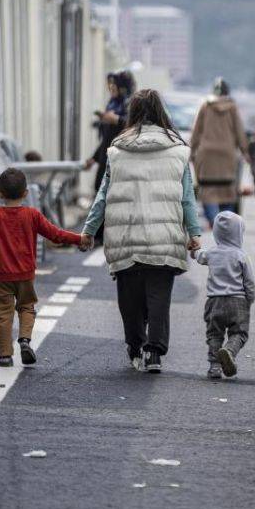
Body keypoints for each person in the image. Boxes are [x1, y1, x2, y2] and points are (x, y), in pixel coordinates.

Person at [80, 89, 203, 374]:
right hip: (165, 236)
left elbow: (103, 195)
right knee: (159, 297)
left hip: (126, 235)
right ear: (162, 113)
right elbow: (187, 198)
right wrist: (194, 233)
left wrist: (89, 230)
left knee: (130, 298)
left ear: (132, 113)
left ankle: (135, 347)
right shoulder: (178, 151)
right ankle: (154, 352)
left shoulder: (116, 151)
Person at [0, 168, 83, 367]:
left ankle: (5, 356)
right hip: (25, 274)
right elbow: (55, 234)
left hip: (1, 276)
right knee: (26, 307)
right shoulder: (32, 215)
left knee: (3, 314)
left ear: (0, 194)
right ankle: (24, 339)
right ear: (25, 193)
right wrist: (79, 239)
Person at [193, 211, 255, 379]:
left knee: (214, 334)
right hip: (237, 301)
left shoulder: (212, 253)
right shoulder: (241, 256)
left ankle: (215, 367)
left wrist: (194, 251)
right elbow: (249, 281)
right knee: (239, 333)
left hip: (214, 301)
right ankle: (229, 351)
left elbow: (199, 256)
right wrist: (250, 299)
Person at [83, 71, 135, 243]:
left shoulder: (130, 104)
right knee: (101, 191)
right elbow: (106, 138)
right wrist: (94, 157)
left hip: (122, 156)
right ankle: (98, 234)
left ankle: (110, 233)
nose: (110, 88)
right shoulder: (112, 103)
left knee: (115, 196)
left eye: (114, 85)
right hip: (107, 155)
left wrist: (117, 120)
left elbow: (134, 126)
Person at [191, 78, 249, 227]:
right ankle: (225, 224)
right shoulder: (232, 107)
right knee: (227, 190)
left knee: (207, 189)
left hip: (207, 152)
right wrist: (245, 150)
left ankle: (213, 221)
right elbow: (239, 131)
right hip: (227, 153)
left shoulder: (205, 105)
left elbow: (196, 130)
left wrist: (191, 150)